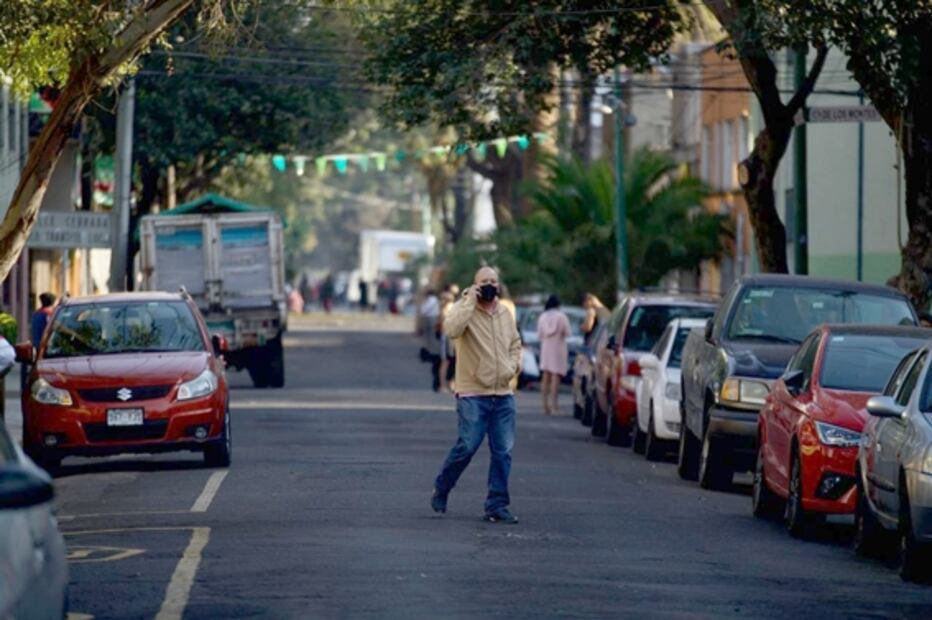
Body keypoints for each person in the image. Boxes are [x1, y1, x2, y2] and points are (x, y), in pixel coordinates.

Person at [431, 266, 522, 524]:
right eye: (484, 281)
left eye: (493, 280)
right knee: (467, 446)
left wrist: (511, 367)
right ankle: (443, 486)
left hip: (503, 394)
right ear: (475, 285)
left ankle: (497, 505)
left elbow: (515, 344)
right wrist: (469, 300)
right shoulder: (464, 309)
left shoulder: (505, 313)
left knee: (503, 452)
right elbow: (451, 330)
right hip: (473, 394)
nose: (490, 285)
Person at [537, 295, 571, 415]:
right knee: (556, 376)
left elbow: (539, 334)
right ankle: (554, 405)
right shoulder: (562, 317)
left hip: (546, 348)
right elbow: (567, 332)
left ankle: (544, 405)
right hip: (558, 348)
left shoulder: (542, 317)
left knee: (545, 376)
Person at [419, 289, 442, 391]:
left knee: (428, 336)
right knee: (431, 336)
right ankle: (430, 351)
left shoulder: (431, 300)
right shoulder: (435, 300)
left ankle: (428, 351)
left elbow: (424, 309)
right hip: (432, 318)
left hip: (429, 318)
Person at [437, 291, 456, 392]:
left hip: (452, 338)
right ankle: (443, 384)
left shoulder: (451, 307)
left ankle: (450, 383)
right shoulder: (443, 309)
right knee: (445, 362)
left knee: (453, 362)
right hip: (447, 338)